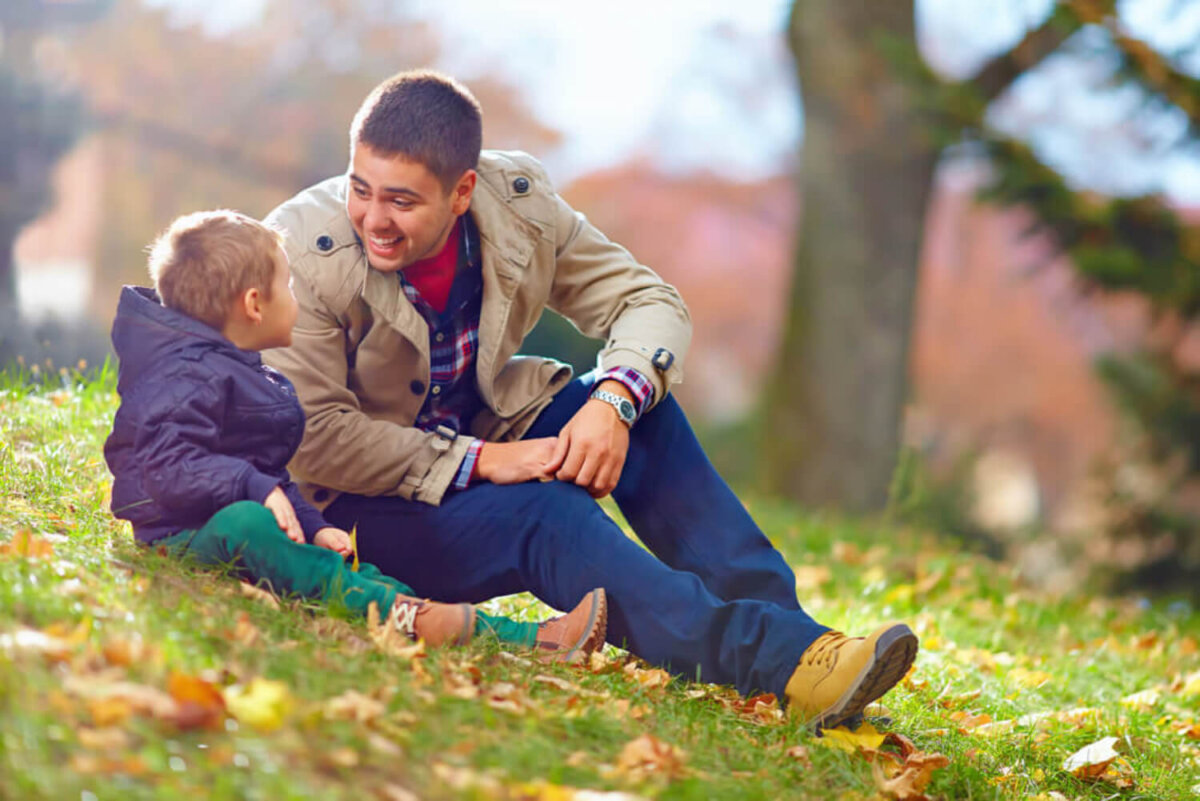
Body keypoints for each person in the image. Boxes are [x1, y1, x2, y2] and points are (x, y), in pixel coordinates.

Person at [264, 70, 918, 729]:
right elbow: (317, 437)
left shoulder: (516, 207)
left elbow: (648, 303)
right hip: (357, 514)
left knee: (644, 410)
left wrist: (613, 402)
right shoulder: (303, 249)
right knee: (544, 515)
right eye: (360, 188)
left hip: (479, 440)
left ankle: (808, 651)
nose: (373, 218)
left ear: (463, 190)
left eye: (401, 201)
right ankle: (776, 657)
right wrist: (483, 461)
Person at [103, 209, 607, 661]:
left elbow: (268, 473)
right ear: (254, 304)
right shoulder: (183, 374)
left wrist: (311, 522)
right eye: (289, 286)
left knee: (341, 563)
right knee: (249, 523)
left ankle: (520, 639)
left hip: (234, 527)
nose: (297, 299)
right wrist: (254, 490)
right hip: (181, 539)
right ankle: (430, 622)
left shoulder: (239, 371)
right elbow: (163, 467)